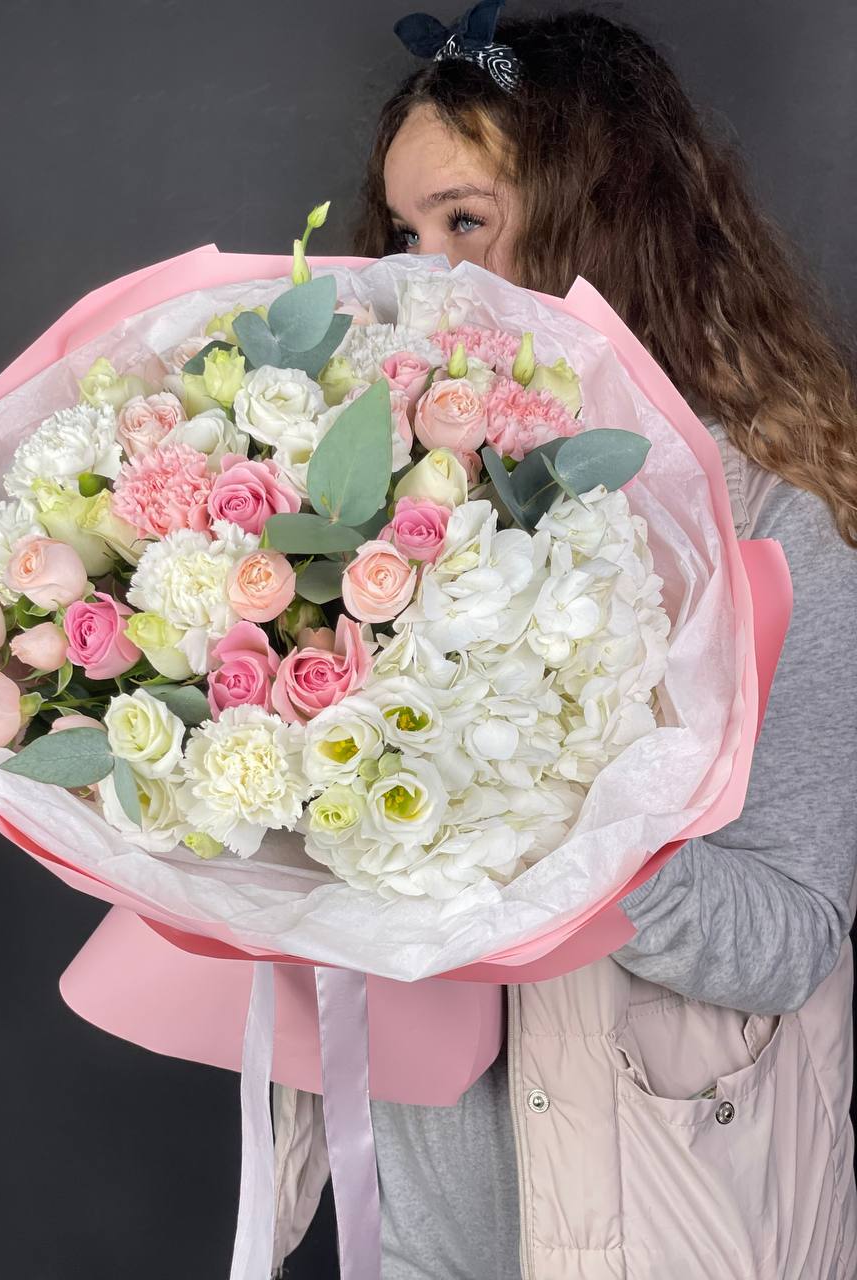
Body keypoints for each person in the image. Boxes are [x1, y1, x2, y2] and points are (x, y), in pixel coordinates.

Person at [270, 5, 857, 1277]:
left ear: (603, 217)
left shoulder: (774, 522)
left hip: (675, 1232)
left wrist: (546, 816)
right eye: (405, 233)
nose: (425, 274)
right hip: (422, 1232)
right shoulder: (380, 510)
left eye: (464, 220)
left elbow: (789, 937)